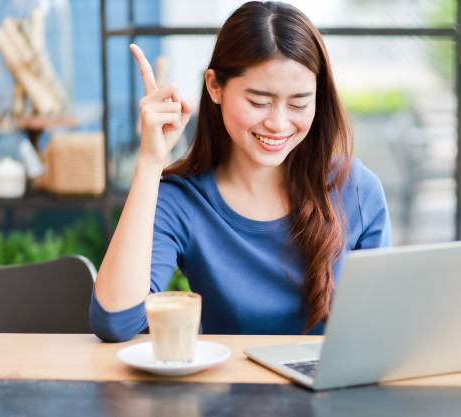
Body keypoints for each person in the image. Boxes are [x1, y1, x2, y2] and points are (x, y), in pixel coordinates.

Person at [90, 1, 391, 342]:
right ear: (215, 86)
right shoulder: (183, 200)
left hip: (331, 390)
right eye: (259, 101)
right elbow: (116, 321)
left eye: (299, 103)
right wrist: (149, 161)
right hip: (233, 391)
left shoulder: (355, 189)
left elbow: (381, 328)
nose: (278, 123)